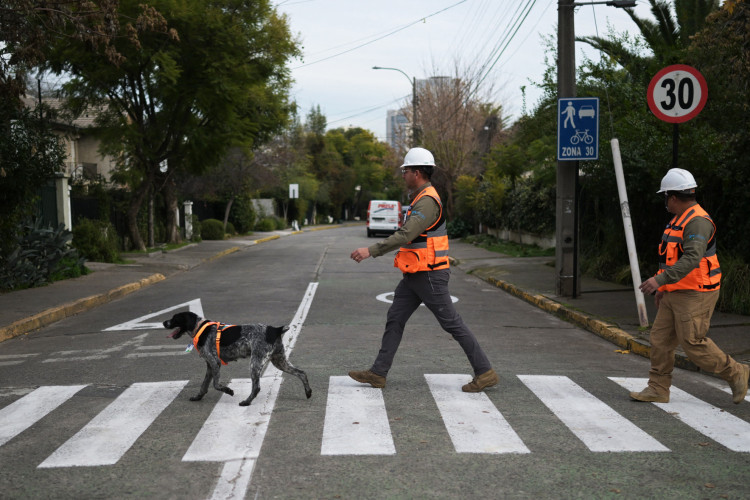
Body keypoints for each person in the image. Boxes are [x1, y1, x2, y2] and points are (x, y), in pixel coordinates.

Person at [348, 147, 498, 393]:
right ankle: (378, 373)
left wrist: (371, 250)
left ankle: (485, 372)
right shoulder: (420, 198)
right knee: (395, 317)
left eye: (405, 170)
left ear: (416, 172)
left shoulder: (427, 201)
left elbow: (407, 234)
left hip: (429, 274)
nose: (403, 174)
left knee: (452, 323)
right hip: (415, 274)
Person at [632, 168, 749, 404]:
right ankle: (658, 388)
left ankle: (737, 372)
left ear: (673, 197)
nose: (665, 202)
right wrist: (663, 287)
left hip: (696, 293)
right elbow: (670, 258)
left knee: (693, 343)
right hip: (675, 291)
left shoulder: (697, 222)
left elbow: (691, 259)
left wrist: (659, 281)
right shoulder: (678, 219)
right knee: (660, 340)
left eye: (665, 197)